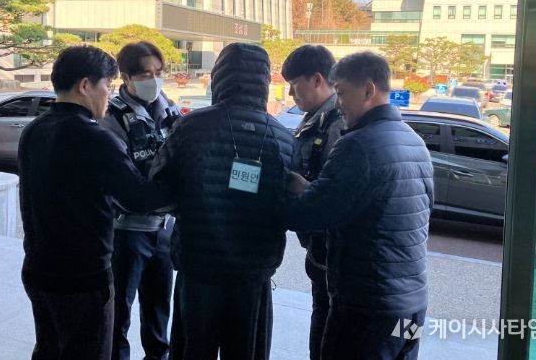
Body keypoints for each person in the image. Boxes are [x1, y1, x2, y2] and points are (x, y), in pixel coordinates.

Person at [18, 45, 172, 360]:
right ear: (85, 85)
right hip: (82, 277)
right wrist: (181, 184)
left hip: (38, 268)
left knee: (49, 350)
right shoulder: (95, 138)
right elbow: (138, 197)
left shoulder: (35, 129)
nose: (109, 94)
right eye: (107, 85)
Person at [149, 43, 295, 360]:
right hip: (252, 275)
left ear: (219, 77)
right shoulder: (283, 138)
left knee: (192, 350)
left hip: (198, 269)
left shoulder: (191, 126)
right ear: (263, 81)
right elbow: (289, 207)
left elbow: (159, 188)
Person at [285, 51, 434, 360]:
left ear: (368, 90)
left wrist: (298, 191)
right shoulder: (414, 141)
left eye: (341, 93)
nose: (338, 104)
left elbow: (311, 215)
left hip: (368, 308)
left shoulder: (357, 145)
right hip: (413, 306)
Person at [99, 42, 180, 360]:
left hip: (164, 229)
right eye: (146, 74)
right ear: (127, 77)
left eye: (159, 72)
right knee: (118, 312)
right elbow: (125, 180)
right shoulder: (113, 116)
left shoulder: (171, 110)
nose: (154, 80)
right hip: (126, 232)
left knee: (159, 311)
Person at [280, 45, 344, 360]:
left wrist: (301, 189)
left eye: (295, 84)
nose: (290, 93)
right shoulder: (315, 118)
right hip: (320, 248)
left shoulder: (337, 123)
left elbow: (338, 194)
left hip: (333, 250)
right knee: (321, 317)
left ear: (317, 79)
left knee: (329, 327)